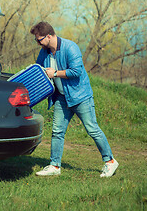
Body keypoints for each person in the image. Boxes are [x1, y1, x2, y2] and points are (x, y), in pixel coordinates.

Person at [31, 21, 119, 178]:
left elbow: (76, 71)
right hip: (61, 98)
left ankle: (110, 162)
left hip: (80, 97)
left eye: (39, 39)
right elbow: (38, 69)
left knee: (92, 129)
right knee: (57, 131)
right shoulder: (44, 52)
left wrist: (55, 73)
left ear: (49, 36)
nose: (37, 43)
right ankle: (54, 166)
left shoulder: (70, 47)